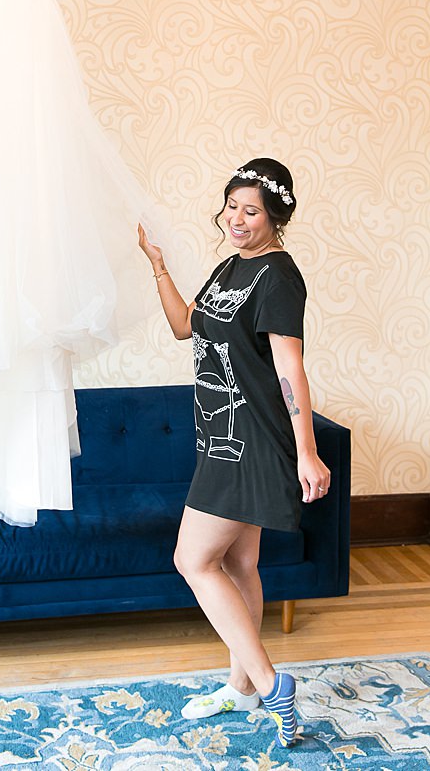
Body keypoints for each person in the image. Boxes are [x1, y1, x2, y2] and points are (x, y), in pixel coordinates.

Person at [138, 158, 331, 748]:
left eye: (251, 210)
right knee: (239, 565)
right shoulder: (230, 268)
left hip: (250, 441)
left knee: (192, 561)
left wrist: (308, 452)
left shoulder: (278, 276)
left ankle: (272, 685)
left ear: (276, 216)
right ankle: (241, 687)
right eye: (231, 207)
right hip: (219, 438)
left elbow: (289, 365)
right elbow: (185, 327)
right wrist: (161, 268)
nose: (236, 218)